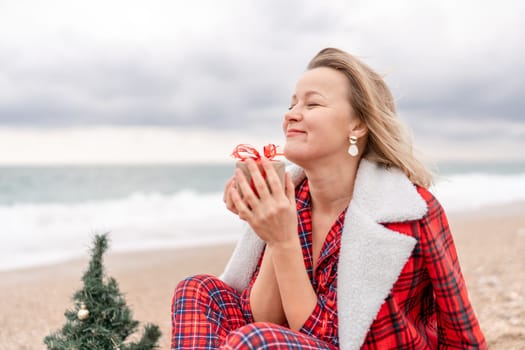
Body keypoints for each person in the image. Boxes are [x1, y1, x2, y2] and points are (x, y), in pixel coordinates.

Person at [171, 47, 487, 349]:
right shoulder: (297, 196)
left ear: (358, 125)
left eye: (312, 105)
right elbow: (265, 318)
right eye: (292, 104)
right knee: (197, 291)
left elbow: (332, 339)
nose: (291, 115)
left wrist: (283, 241)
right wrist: (272, 219)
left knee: (255, 342)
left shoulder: (406, 212)